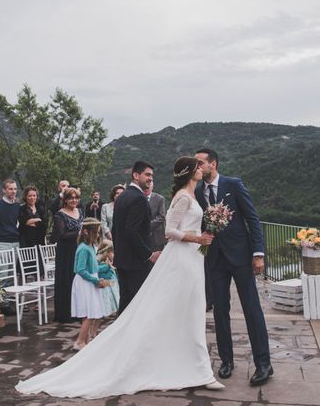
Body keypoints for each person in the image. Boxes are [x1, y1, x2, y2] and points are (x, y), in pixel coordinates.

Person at [15, 156, 222, 398]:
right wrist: (194, 239)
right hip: (175, 259)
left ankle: (191, 364)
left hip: (189, 258)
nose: (201, 169)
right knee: (157, 311)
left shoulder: (142, 197)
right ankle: (185, 366)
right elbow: (167, 231)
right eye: (197, 167)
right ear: (188, 172)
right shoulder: (177, 197)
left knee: (185, 311)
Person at [194, 148, 272, 385]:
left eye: (200, 163)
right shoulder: (198, 192)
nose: (197, 167)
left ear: (213, 164)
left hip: (241, 256)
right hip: (215, 259)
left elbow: (252, 218)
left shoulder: (234, 185)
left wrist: (258, 253)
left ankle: (264, 364)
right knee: (220, 312)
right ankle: (226, 361)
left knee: (251, 309)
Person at [112, 160, 160, 313]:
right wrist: (149, 255)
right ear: (135, 175)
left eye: (152, 175)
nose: (150, 178)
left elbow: (116, 229)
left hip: (123, 260)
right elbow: (131, 231)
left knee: (126, 305)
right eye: (147, 175)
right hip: (136, 263)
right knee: (138, 308)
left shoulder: (122, 196)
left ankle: (120, 336)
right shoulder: (138, 198)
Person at [70, 217, 109, 351]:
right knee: (89, 314)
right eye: (95, 232)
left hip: (90, 281)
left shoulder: (91, 247)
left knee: (91, 313)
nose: (98, 235)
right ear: (86, 232)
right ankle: (79, 342)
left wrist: (106, 267)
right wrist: (96, 281)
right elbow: (80, 270)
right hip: (84, 283)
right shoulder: (83, 249)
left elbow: (93, 267)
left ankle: (85, 341)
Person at [51, 187, 84, 323]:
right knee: (67, 280)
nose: (74, 200)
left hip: (79, 250)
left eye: (76, 198)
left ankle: (80, 311)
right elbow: (62, 235)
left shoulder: (80, 211)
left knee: (80, 281)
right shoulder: (60, 214)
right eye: (71, 198)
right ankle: (66, 314)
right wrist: (81, 232)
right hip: (66, 252)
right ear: (65, 200)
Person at [145, 181, 167, 252]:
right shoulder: (138, 198)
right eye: (145, 187)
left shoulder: (159, 199)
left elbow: (161, 216)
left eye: (149, 186)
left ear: (152, 187)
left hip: (157, 236)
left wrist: (147, 226)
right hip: (142, 236)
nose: (147, 188)